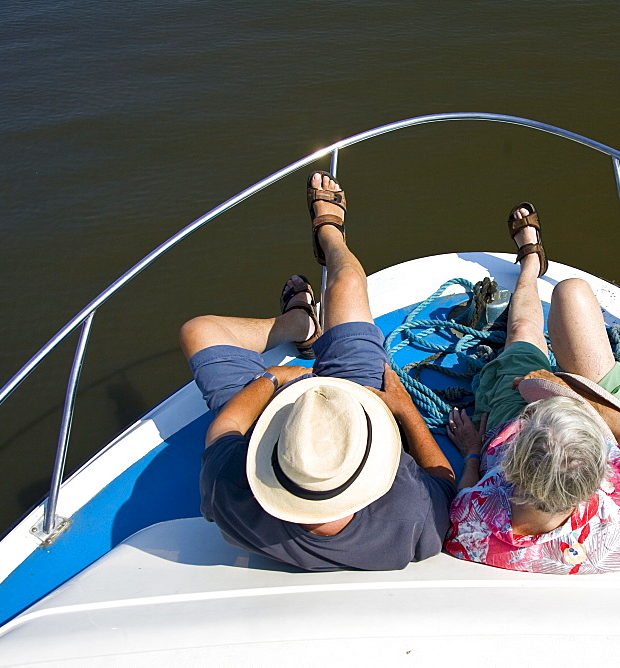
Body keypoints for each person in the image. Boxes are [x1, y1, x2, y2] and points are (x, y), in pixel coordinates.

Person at [180, 171, 456, 571]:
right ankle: (331, 233)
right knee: (345, 284)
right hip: (351, 409)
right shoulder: (412, 518)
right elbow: (443, 479)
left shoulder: (231, 496)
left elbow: (223, 430)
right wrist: (403, 407)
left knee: (198, 329)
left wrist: (273, 379)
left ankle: (301, 325)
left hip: (277, 414)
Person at [443, 202, 620, 574]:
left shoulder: (474, 526)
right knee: (573, 292)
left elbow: (468, 486)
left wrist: (472, 453)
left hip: (546, 420)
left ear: (509, 464)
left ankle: (529, 266)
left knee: (525, 335)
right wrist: (566, 390)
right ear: (603, 472)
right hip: (606, 415)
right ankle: (534, 265)